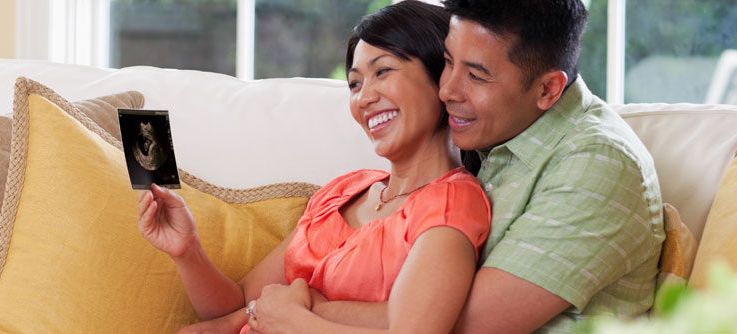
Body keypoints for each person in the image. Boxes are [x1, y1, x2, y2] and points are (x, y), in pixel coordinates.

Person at [260, 1, 665, 332]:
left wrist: (304, 308)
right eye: (448, 62)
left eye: (475, 75)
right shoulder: (497, 137)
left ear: (548, 89)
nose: (448, 89)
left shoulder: (596, 164)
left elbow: (460, 323)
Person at [136, 2, 492, 333]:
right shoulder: (342, 192)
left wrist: (300, 317)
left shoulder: (451, 203)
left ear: (441, 80)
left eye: (383, 71)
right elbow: (240, 302)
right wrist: (187, 249)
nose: (364, 98)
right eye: (354, 83)